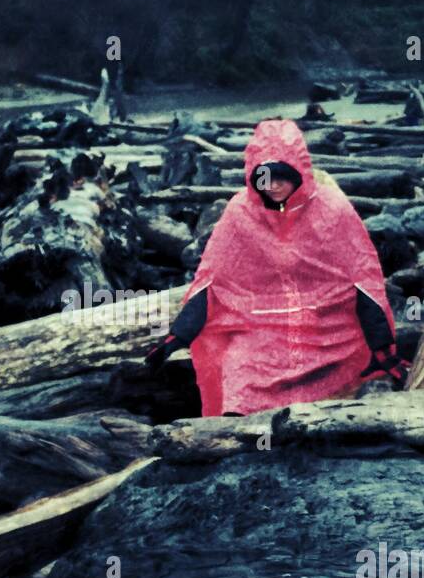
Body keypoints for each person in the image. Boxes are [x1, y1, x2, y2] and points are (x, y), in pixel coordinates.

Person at [146, 118, 406, 416]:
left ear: (300, 173)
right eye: (265, 178)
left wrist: (384, 350)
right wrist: (176, 337)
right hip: (259, 326)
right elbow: (211, 285)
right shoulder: (240, 214)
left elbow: (363, 282)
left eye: (283, 177)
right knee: (239, 365)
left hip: (327, 327)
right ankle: (243, 433)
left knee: (337, 381)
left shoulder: (332, 209)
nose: (274, 186)